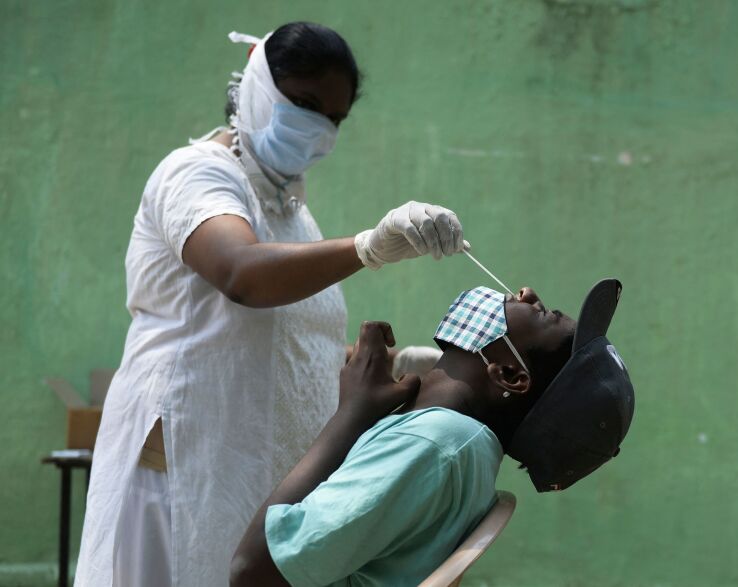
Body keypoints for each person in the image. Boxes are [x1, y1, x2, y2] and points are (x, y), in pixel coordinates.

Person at [76, 22, 463, 587]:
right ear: (257, 86)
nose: (318, 128)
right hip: (181, 470)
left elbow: (288, 344)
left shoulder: (290, 211)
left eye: (334, 118)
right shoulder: (196, 174)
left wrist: (385, 366)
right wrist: (368, 247)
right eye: (304, 103)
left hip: (249, 473)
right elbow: (241, 274)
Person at [230, 280, 636, 586]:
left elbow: (253, 571)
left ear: (509, 374)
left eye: (543, 313)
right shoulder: (462, 444)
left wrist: (351, 414)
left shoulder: (433, 446)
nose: (527, 293)